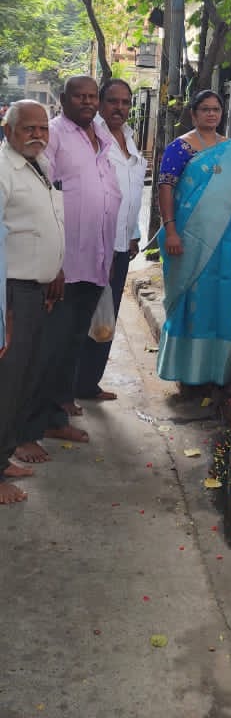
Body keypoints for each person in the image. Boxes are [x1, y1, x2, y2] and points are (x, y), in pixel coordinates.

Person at [19, 75, 121, 449]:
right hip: (65, 264)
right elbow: (45, 198)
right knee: (51, 346)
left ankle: (57, 412)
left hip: (95, 260)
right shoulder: (56, 135)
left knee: (73, 343)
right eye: (80, 96)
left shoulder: (100, 135)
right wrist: (54, 262)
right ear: (64, 99)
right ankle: (33, 424)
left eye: (93, 96)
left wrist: (107, 254)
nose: (88, 102)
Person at [157, 89, 231, 387]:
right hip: (187, 237)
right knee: (189, 297)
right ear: (194, 114)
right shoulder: (180, 148)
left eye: (216, 109)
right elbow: (165, 188)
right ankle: (186, 370)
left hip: (223, 238)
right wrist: (170, 230)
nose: (211, 114)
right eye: (204, 109)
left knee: (220, 296)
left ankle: (216, 369)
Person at [0, 101, 65, 503]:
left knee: (22, 380)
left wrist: (54, 269)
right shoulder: (3, 169)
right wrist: (3, 310)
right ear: (8, 130)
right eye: (29, 128)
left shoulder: (39, 164)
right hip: (12, 293)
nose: (38, 134)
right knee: (6, 383)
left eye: (43, 128)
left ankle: (5, 455)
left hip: (36, 290)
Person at [77, 79, 146, 401]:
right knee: (84, 314)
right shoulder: (91, 136)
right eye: (113, 101)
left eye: (125, 102)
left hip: (120, 244)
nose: (120, 108)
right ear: (101, 104)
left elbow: (131, 191)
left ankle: (89, 383)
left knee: (108, 312)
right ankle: (69, 388)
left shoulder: (129, 137)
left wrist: (133, 234)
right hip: (95, 243)